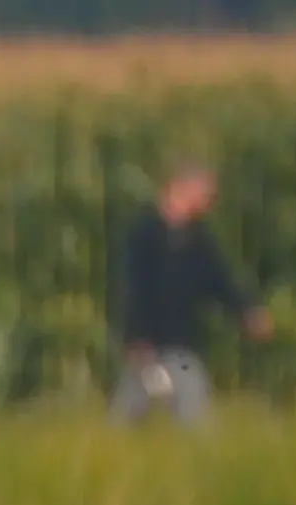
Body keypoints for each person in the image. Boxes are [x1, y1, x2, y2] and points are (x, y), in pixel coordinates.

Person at [110, 160, 272, 426]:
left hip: (181, 345)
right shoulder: (144, 232)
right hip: (146, 345)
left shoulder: (198, 239)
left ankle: (199, 462)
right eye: (207, 194)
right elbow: (133, 286)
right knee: (129, 414)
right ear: (183, 188)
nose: (211, 202)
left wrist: (247, 311)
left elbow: (220, 280)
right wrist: (137, 336)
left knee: (193, 409)